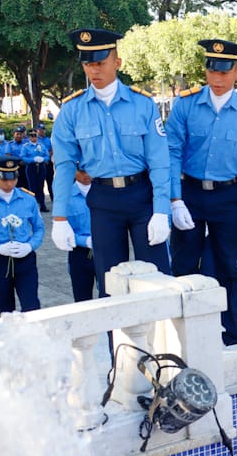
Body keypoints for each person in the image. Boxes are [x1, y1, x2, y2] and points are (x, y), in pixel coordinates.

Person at [51, 28, 172, 297]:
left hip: (142, 196)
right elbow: (65, 166)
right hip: (103, 200)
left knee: (158, 279)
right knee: (109, 283)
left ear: (117, 62)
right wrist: (59, 217)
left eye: (100, 63)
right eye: (87, 64)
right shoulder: (72, 110)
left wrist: (162, 210)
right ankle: (117, 328)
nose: (94, 70)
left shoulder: (142, 104)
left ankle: (160, 327)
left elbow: (159, 161)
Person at [165, 39, 237, 346]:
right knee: (184, 265)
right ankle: (181, 331)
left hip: (226, 196)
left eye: (224, 71)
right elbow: (171, 152)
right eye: (212, 70)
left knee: (229, 265)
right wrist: (175, 200)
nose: (217, 78)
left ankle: (233, 328)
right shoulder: (186, 104)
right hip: (190, 193)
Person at [0, 157, 44, 316]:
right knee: (2, 310)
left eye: (13, 178)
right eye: (4, 179)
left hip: (25, 259)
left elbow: (39, 228)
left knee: (31, 306)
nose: (9, 183)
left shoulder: (28, 199)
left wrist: (30, 246)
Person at [65, 169, 96, 301]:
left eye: (90, 170)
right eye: (82, 171)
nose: (87, 174)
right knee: (82, 297)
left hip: (105, 249)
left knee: (109, 294)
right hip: (80, 251)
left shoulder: (104, 192)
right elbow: (64, 231)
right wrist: (85, 241)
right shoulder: (66, 197)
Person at [20, 130, 50, 212]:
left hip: (41, 167)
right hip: (31, 167)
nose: (33, 138)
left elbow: (47, 156)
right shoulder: (26, 146)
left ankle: (42, 205)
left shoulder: (41, 145)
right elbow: (23, 157)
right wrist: (32, 160)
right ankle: (33, 206)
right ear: (29, 137)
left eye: (35, 136)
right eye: (31, 136)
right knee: (32, 187)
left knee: (41, 186)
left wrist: (43, 159)